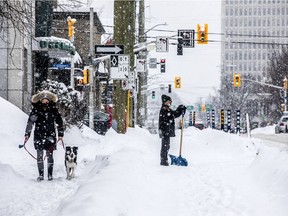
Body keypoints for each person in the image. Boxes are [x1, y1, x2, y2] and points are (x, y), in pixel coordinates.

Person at [24, 90, 64, 181]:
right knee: (39, 155)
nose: (45, 101)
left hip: (51, 135)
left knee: (50, 155)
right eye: (43, 100)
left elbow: (59, 122)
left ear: (49, 100)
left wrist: (61, 134)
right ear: (40, 100)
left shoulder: (53, 109)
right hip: (39, 135)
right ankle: (41, 175)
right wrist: (27, 134)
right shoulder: (36, 109)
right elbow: (30, 122)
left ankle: (50, 175)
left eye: (47, 100)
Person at [158, 94, 186, 166]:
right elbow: (174, 114)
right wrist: (180, 110)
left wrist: (179, 110)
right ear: (166, 101)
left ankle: (164, 159)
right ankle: (163, 160)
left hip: (165, 130)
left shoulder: (166, 108)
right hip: (165, 130)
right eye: (169, 101)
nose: (170, 103)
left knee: (166, 145)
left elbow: (173, 114)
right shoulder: (165, 109)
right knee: (165, 146)